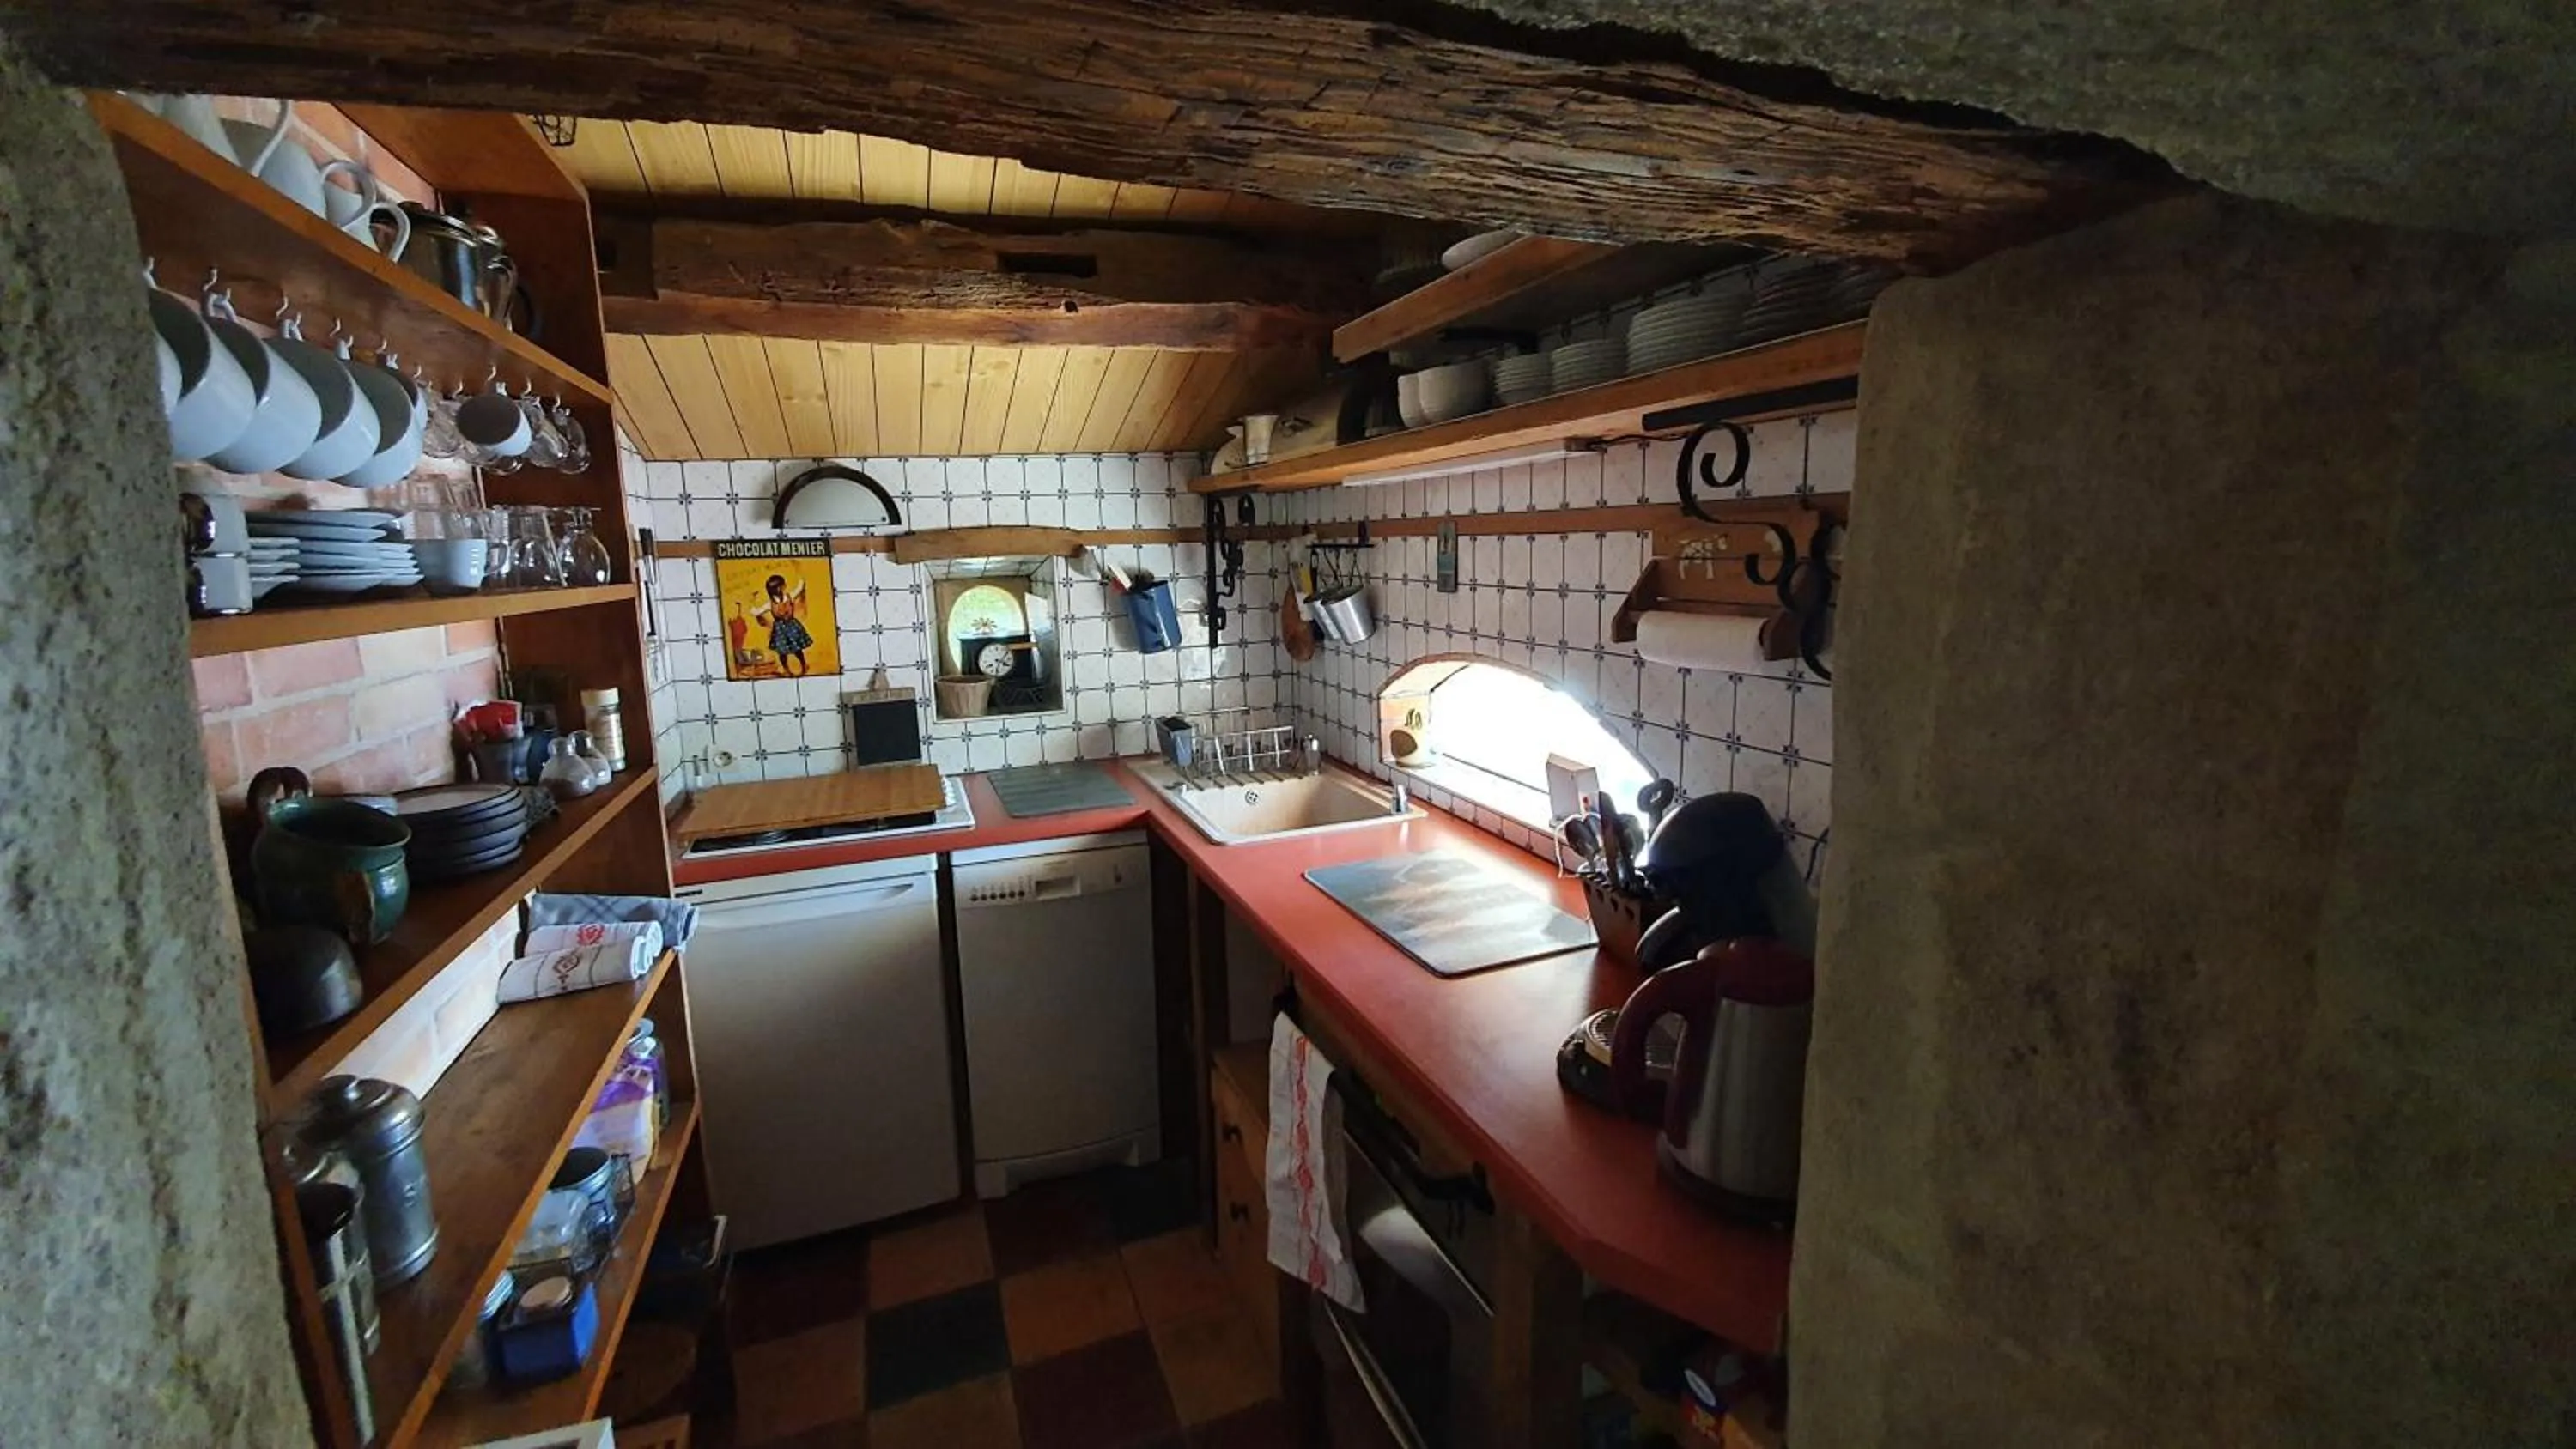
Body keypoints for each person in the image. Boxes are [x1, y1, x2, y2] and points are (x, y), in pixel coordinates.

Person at [754, 573, 813, 677]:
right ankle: (786, 669)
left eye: (779, 587)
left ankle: (804, 665)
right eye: (774, 589)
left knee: (797, 649)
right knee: (782, 652)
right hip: (780, 631)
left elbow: (800, 587)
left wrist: (800, 572)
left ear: (783, 586)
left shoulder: (790, 596)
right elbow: (756, 612)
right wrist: (752, 601)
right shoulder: (770, 604)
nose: (777, 590)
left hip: (792, 627)